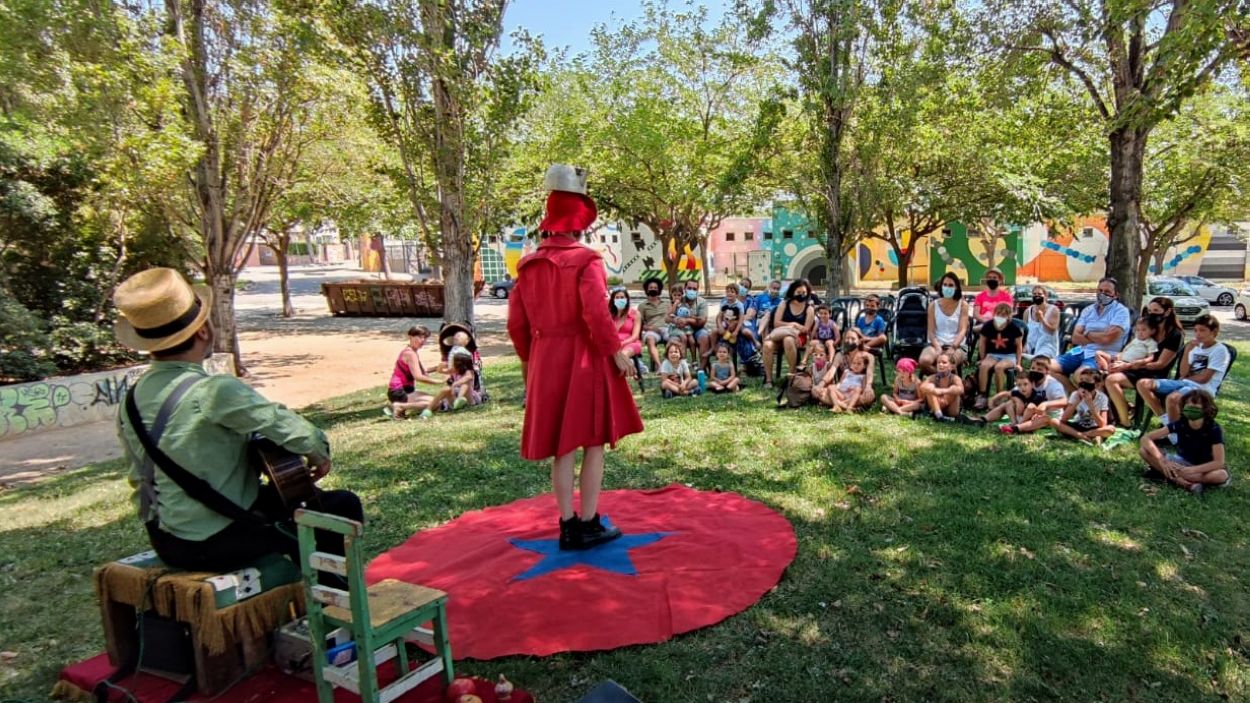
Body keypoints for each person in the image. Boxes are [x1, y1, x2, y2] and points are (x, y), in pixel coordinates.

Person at [113, 267, 362, 573]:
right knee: (340, 506)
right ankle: (330, 601)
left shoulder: (130, 400)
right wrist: (318, 453)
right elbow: (298, 434)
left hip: (167, 541)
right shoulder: (214, 391)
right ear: (203, 330)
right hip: (219, 541)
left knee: (285, 505)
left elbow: (140, 482)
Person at [507, 164, 643, 550]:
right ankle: (589, 521)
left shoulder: (528, 264)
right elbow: (595, 314)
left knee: (562, 446)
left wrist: (530, 364)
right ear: (579, 218)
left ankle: (567, 525)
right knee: (593, 441)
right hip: (583, 357)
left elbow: (517, 325)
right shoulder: (587, 260)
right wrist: (615, 351)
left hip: (547, 358)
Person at [1104, 297, 1185, 426]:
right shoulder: (1148, 329)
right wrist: (1119, 360)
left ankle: (1127, 421)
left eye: (1156, 310)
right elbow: (1132, 349)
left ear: (1167, 312)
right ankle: (1121, 415)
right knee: (1103, 375)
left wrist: (1129, 366)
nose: (1152, 314)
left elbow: (1161, 364)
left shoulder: (1175, 335)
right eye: (1150, 310)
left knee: (1111, 379)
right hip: (1135, 368)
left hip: (1154, 374)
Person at [1137, 314, 1230, 426]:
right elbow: (1183, 372)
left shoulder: (1220, 351)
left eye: (1202, 330)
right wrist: (1187, 350)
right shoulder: (1196, 347)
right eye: (1195, 330)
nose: (1198, 334)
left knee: (1173, 398)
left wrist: (1186, 377)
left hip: (1202, 389)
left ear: (1214, 332)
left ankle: (1175, 435)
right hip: (1185, 383)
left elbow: (1204, 378)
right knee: (1143, 384)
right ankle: (1167, 422)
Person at [1050, 277, 1130, 393]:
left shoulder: (1121, 312)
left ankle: (1088, 403)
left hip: (1102, 355)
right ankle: (1075, 399)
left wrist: (1087, 333)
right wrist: (1099, 337)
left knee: (1081, 375)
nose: (1102, 294)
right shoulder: (1088, 310)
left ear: (1116, 294)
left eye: (1107, 292)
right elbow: (1076, 338)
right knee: (1046, 367)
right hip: (1080, 351)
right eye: (1100, 290)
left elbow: (1107, 339)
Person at [1139, 391, 1228, 494]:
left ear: (1206, 409)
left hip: (1204, 468)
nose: (1191, 409)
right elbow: (1146, 438)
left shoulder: (1213, 429)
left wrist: (1193, 470)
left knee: (1221, 475)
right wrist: (1161, 459)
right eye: (1188, 406)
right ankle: (1185, 483)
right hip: (1181, 463)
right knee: (1144, 451)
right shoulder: (1181, 423)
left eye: (1196, 407)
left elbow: (1219, 462)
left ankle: (1170, 475)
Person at [762, 279, 815, 388]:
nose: (801, 295)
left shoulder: (809, 308)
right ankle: (768, 380)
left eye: (804, 293)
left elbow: (806, 329)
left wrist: (793, 329)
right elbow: (776, 323)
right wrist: (793, 324)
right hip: (780, 334)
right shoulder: (784, 304)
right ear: (793, 292)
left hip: (799, 338)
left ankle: (792, 376)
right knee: (767, 345)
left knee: (788, 340)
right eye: (798, 292)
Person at [385, 325, 442, 419]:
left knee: (436, 402)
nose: (422, 340)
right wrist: (438, 382)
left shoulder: (411, 352)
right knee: (435, 403)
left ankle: (399, 408)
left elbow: (421, 371)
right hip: (399, 391)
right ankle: (400, 406)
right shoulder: (410, 354)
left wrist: (436, 368)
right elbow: (418, 376)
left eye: (425, 338)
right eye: (419, 337)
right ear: (410, 337)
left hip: (404, 390)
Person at [974, 302, 1023, 409]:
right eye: (999, 313)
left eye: (1004, 314)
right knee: (984, 366)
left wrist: (1019, 363)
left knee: (999, 367)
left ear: (1009, 316)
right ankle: (982, 395)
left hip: (1009, 355)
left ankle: (999, 397)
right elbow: (982, 343)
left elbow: (1019, 346)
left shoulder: (1014, 328)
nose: (1001, 316)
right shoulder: (988, 326)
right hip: (992, 354)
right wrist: (982, 358)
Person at [919, 272, 970, 374]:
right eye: (945, 285)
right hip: (935, 344)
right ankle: (942, 380)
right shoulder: (933, 305)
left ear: (956, 288)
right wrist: (938, 348)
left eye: (951, 285)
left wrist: (953, 347)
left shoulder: (963, 305)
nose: (947, 287)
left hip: (956, 346)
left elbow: (962, 330)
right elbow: (931, 331)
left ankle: (943, 384)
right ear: (941, 287)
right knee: (924, 361)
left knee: (948, 362)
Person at [1050, 366, 1115, 444]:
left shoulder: (1102, 398)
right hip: (1078, 425)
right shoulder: (1075, 394)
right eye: (1081, 380)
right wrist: (1076, 402)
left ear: (1097, 385)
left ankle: (1083, 435)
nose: (1083, 383)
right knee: (1054, 421)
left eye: (1087, 380)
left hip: (1095, 428)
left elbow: (1103, 424)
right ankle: (1085, 436)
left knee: (1110, 429)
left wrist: (1090, 405)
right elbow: (1063, 419)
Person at [421, 348, 480, 418]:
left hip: (469, 399)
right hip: (455, 399)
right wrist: (440, 367)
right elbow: (441, 371)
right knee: (446, 389)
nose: (451, 363)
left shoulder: (469, 371)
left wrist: (455, 384)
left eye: (453, 362)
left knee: (466, 384)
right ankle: (428, 410)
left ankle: (460, 399)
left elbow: (468, 378)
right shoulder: (455, 370)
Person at [977, 370, 1045, 428]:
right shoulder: (1018, 392)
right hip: (1019, 416)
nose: (1022, 387)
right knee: (1007, 404)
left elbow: (1038, 410)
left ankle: (1019, 425)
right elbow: (1005, 393)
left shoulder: (1037, 395)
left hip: (1031, 420)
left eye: (1025, 384)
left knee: (1031, 408)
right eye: (1019, 385)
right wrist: (992, 400)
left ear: (1032, 384)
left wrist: (1019, 403)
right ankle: (984, 419)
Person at [920, 351, 964, 422]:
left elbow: (961, 390)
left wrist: (943, 391)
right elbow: (922, 387)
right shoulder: (933, 377)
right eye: (938, 362)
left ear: (951, 366)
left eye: (944, 362)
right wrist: (934, 390)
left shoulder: (955, 378)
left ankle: (944, 416)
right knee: (929, 387)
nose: (940, 364)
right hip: (936, 405)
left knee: (955, 389)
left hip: (951, 409)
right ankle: (939, 416)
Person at [637, 278, 670, 371]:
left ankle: (668, 364)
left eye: (655, 287)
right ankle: (659, 366)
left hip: (666, 328)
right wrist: (649, 328)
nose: (653, 289)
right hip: (651, 330)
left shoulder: (666, 303)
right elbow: (639, 324)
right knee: (650, 339)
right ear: (647, 290)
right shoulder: (642, 306)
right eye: (651, 287)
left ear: (659, 290)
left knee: (672, 337)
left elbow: (672, 317)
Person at [1023, 286, 1060, 361]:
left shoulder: (1054, 310)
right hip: (1029, 344)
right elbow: (1024, 331)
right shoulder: (1028, 311)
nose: (1037, 296)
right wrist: (1023, 345)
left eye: (1039, 294)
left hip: (1047, 345)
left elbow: (1052, 330)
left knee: (1039, 360)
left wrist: (1042, 318)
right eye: (1034, 294)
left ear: (1045, 296)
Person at [609, 286, 642, 365]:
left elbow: (635, 336)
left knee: (622, 355)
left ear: (627, 299)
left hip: (630, 343)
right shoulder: (609, 315)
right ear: (613, 300)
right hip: (614, 344)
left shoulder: (635, 313)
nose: (620, 299)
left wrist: (622, 343)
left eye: (622, 297)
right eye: (617, 298)